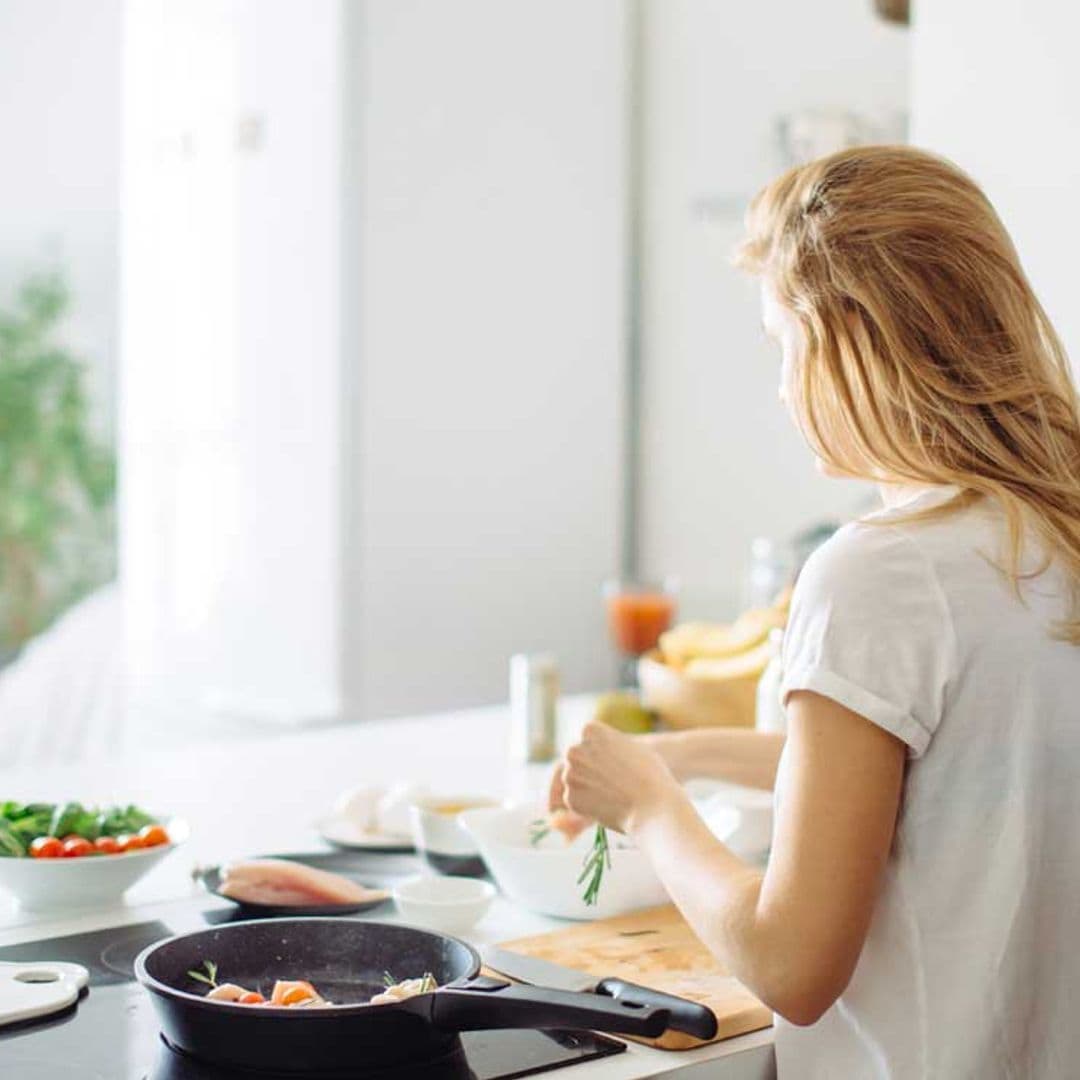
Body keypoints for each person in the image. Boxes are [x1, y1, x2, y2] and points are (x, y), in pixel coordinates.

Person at [550, 146, 1080, 1078]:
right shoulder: (1050, 534)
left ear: (850, 341)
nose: (784, 385)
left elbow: (790, 963)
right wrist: (680, 752)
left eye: (781, 344)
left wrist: (649, 805)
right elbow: (943, 779)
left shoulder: (882, 572)